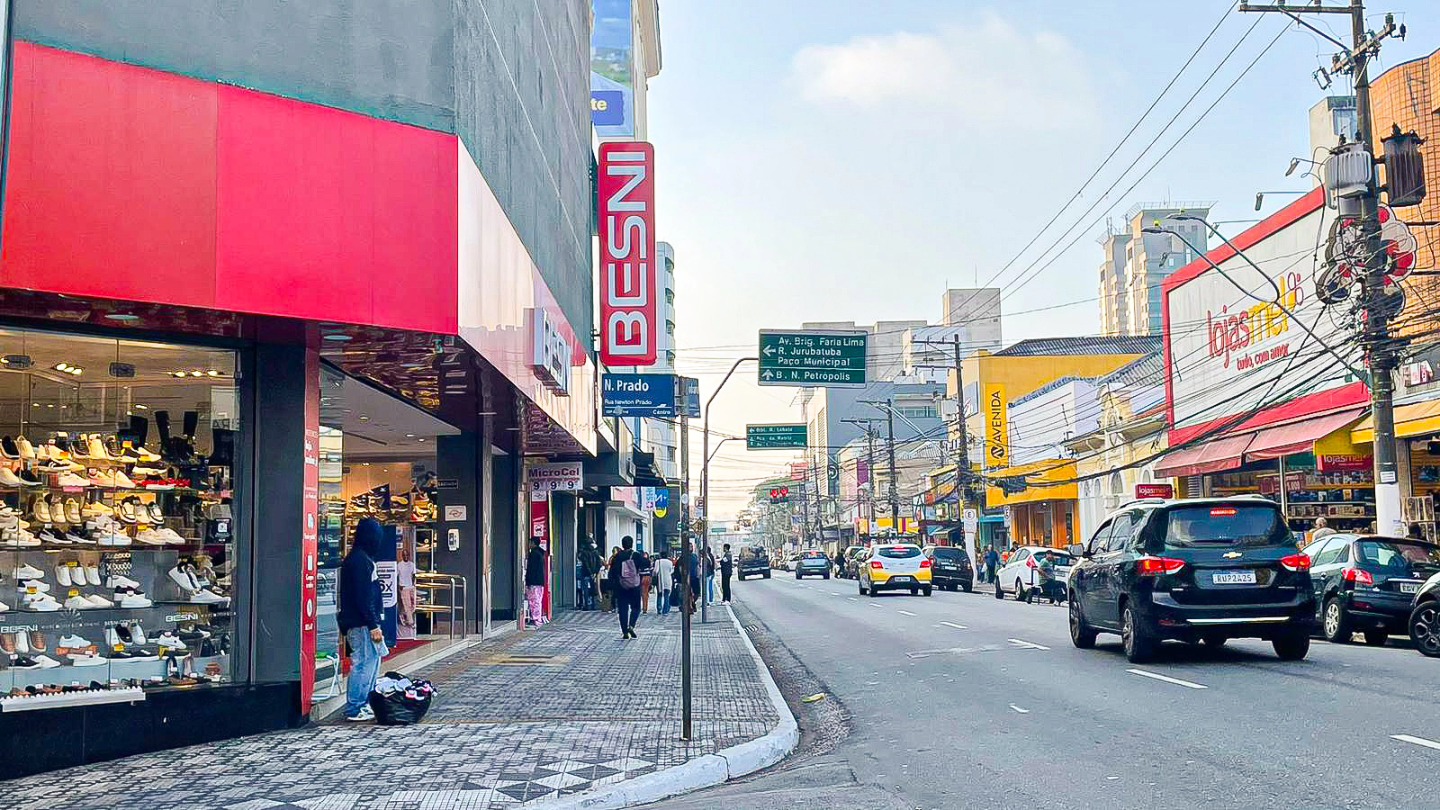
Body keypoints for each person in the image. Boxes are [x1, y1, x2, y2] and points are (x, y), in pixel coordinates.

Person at [339, 517, 387, 722]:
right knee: (364, 663)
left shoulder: (361, 558)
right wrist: (373, 624)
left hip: (363, 622)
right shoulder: (360, 561)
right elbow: (363, 596)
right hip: (361, 624)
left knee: (371, 662)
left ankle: (362, 703)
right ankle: (355, 706)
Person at [608, 535, 644, 638]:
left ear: (622, 544)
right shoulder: (636, 555)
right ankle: (631, 625)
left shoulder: (617, 556)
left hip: (621, 586)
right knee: (636, 607)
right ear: (632, 544)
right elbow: (644, 565)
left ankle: (624, 631)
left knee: (623, 609)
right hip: (634, 586)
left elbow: (612, 572)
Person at [524, 536, 547, 627]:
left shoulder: (533, 554)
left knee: (534, 600)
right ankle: (537, 618)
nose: (528, 545)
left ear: (533, 543)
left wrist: (528, 581)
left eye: (530, 543)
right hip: (540, 581)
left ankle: (535, 619)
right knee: (538, 600)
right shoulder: (541, 553)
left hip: (533, 581)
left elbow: (531, 569)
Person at [578, 538, 603, 611]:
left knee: (585, 590)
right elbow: (599, 563)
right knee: (593, 589)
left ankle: (586, 605)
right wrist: (595, 572)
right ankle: (593, 605)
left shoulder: (584, 553)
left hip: (586, 573)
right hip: (594, 573)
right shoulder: (596, 552)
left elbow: (585, 564)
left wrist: (590, 573)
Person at [654, 551, 675, 616]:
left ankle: (659, 608)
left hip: (660, 580)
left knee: (659, 595)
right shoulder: (670, 562)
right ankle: (665, 610)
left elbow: (655, 571)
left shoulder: (658, 562)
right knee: (667, 595)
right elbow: (671, 571)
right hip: (668, 580)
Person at [637, 546, 655, 613]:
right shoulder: (648, 561)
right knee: (645, 593)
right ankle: (645, 608)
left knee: (639, 593)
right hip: (647, 577)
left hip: (640, 577)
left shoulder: (638, 561)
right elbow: (650, 570)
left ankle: (638, 607)